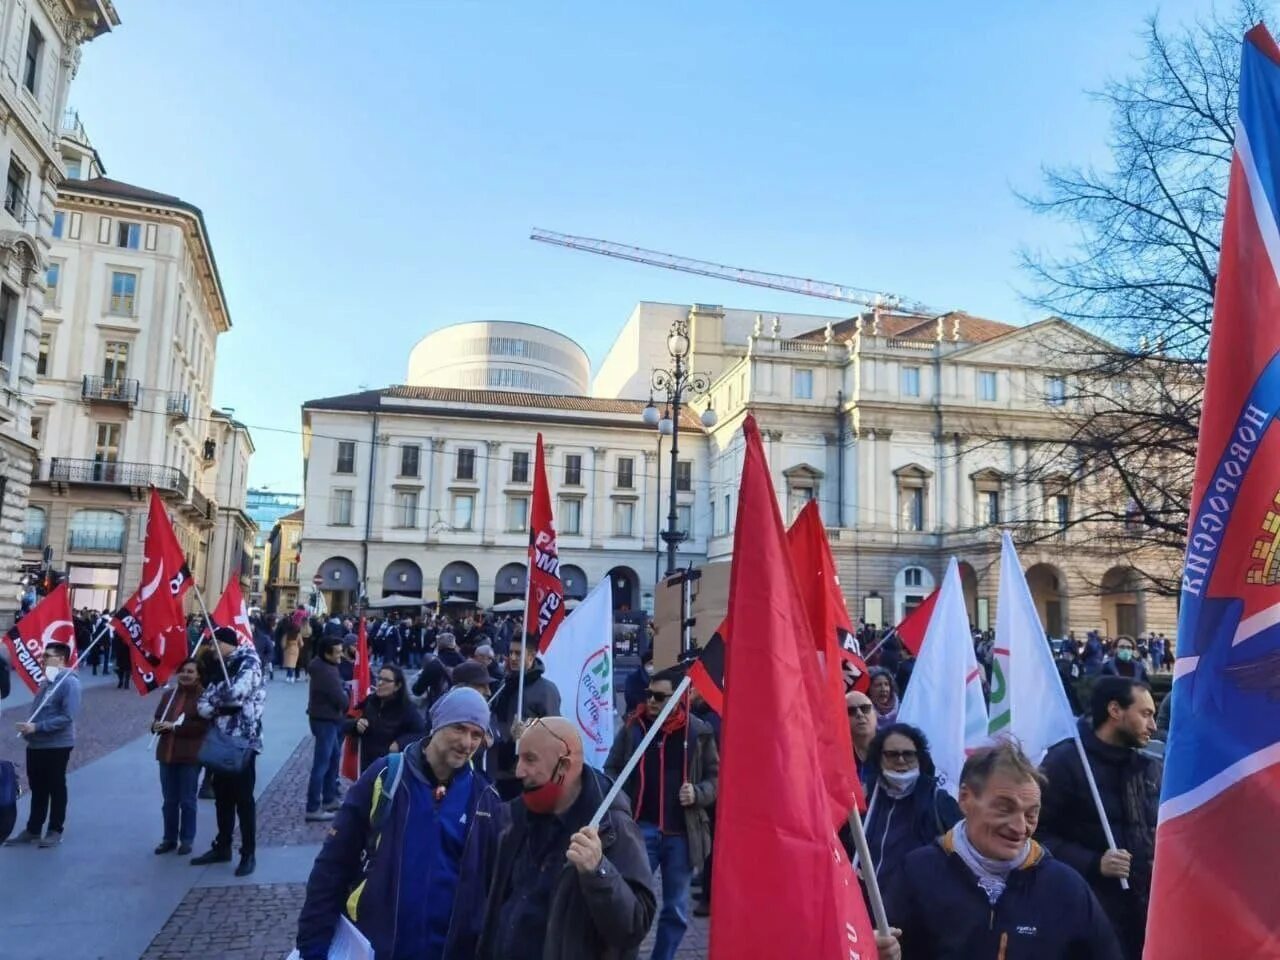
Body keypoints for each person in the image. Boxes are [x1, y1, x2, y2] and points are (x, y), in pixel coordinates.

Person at [296, 688, 504, 960]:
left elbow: (494, 890)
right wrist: (313, 947)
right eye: (459, 728)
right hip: (381, 948)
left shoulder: (484, 798)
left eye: (476, 734)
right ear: (438, 724)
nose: (467, 742)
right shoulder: (386, 777)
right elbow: (333, 864)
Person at [881, 741, 1122, 959]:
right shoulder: (917, 872)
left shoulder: (1066, 887)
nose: (1020, 828)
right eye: (1004, 808)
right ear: (964, 798)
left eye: (1031, 814)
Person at [476, 717, 657, 960]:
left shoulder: (612, 826)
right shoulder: (514, 817)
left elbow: (634, 925)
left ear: (563, 766)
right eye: (519, 758)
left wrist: (599, 872)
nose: (518, 771)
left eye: (530, 759)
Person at [1036, 677, 1161, 959]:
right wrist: (1094, 863)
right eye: (1145, 714)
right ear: (1115, 710)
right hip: (1088, 911)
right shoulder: (1065, 762)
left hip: (1144, 912)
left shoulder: (1149, 767)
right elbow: (1034, 835)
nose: (1153, 726)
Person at [604, 668, 718, 960]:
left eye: (659, 696)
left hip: (681, 833)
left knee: (676, 908)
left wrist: (698, 793)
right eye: (648, 695)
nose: (651, 702)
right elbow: (611, 768)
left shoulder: (697, 731)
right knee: (629, 902)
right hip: (640, 829)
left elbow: (716, 779)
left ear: (678, 697)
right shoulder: (633, 727)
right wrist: (623, 801)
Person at [192, 627, 266, 877]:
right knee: (222, 798)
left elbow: (236, 694)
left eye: (214, 644)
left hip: (243, 742)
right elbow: (202, 704)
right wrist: (217, 706)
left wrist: (215, 703)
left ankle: (248, 853)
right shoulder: (219, 665)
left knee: (243, 800)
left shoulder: (249, 662)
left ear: (226, 643)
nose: (211, 650)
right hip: (219, 739)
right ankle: (222, 846)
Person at [861, 723, 962, 897]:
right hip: (866, 907)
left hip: (920, 910)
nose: (900, 760)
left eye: (908, 754)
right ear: (879, 758)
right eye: (892, 755)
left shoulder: (939, 801)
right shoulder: (865, 799)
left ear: (919, 758)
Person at [8, 642, 80, 847]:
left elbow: (68, 717)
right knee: (38, 787)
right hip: (36, 744)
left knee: (55, 786)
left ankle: (55, 829)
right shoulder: (48, 681)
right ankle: (33, 828)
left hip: (57, 744)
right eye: (43, 656)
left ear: (61, 659)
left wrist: (37, 727)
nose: (42, 660)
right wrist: (30, 728)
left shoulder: (69, 683)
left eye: (47, 656)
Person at [488, 643, 562, 800]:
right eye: (511, 653)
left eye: (518, 653)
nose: (513, 658)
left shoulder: (546, 690)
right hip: (499, 769)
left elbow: (554, 731)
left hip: (525, 773)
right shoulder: (505, 683)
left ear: (531, 656)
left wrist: (529, 730)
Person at [151, 658, 209, 855]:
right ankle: (169, 838)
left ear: (199, 674)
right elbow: (158, 718)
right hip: (166, 754)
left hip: (189, 755)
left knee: (187, 800)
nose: (185, 674)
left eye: (190, 671)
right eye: (183, 670)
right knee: (169, 801)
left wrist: (175, 727)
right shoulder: (169, 695)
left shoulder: (203, 697)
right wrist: (156, 726)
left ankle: (187, 839)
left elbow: (202, 727)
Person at [344, 663, 425, 775]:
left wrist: (400, 743)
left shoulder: (406, 708)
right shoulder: (370, 701)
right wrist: (356, 724)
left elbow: (421, 732)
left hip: (389, 768)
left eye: (386, 680)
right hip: (366, 765)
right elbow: (345, 722)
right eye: (379, 678)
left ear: (397, 686)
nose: (380, 683)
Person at [306, 636, 349, 822]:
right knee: (322, 763)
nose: (341, 655)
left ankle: (329, 798)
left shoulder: (323, 666)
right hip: (326, 720)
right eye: (338, 652)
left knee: (332, 758)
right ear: (327, 653)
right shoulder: (327, 672)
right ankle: (313, 807)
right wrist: (346, 694)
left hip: (324, 718)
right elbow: (342, 700)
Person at [847, 690, 877, 781]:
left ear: (875, 714)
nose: (860, 714)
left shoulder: (892, 747)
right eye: (851, 711)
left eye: (865, 708)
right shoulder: (836, 756)